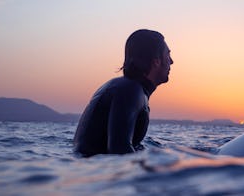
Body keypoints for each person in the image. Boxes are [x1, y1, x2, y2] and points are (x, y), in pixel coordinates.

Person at [73, 29, 173, 157]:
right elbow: (119, 149)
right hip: (98, 172)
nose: (171, 61)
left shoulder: (123, 87)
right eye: (168, 55)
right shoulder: (130, 91)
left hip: (89, 168)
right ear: (156, 61)